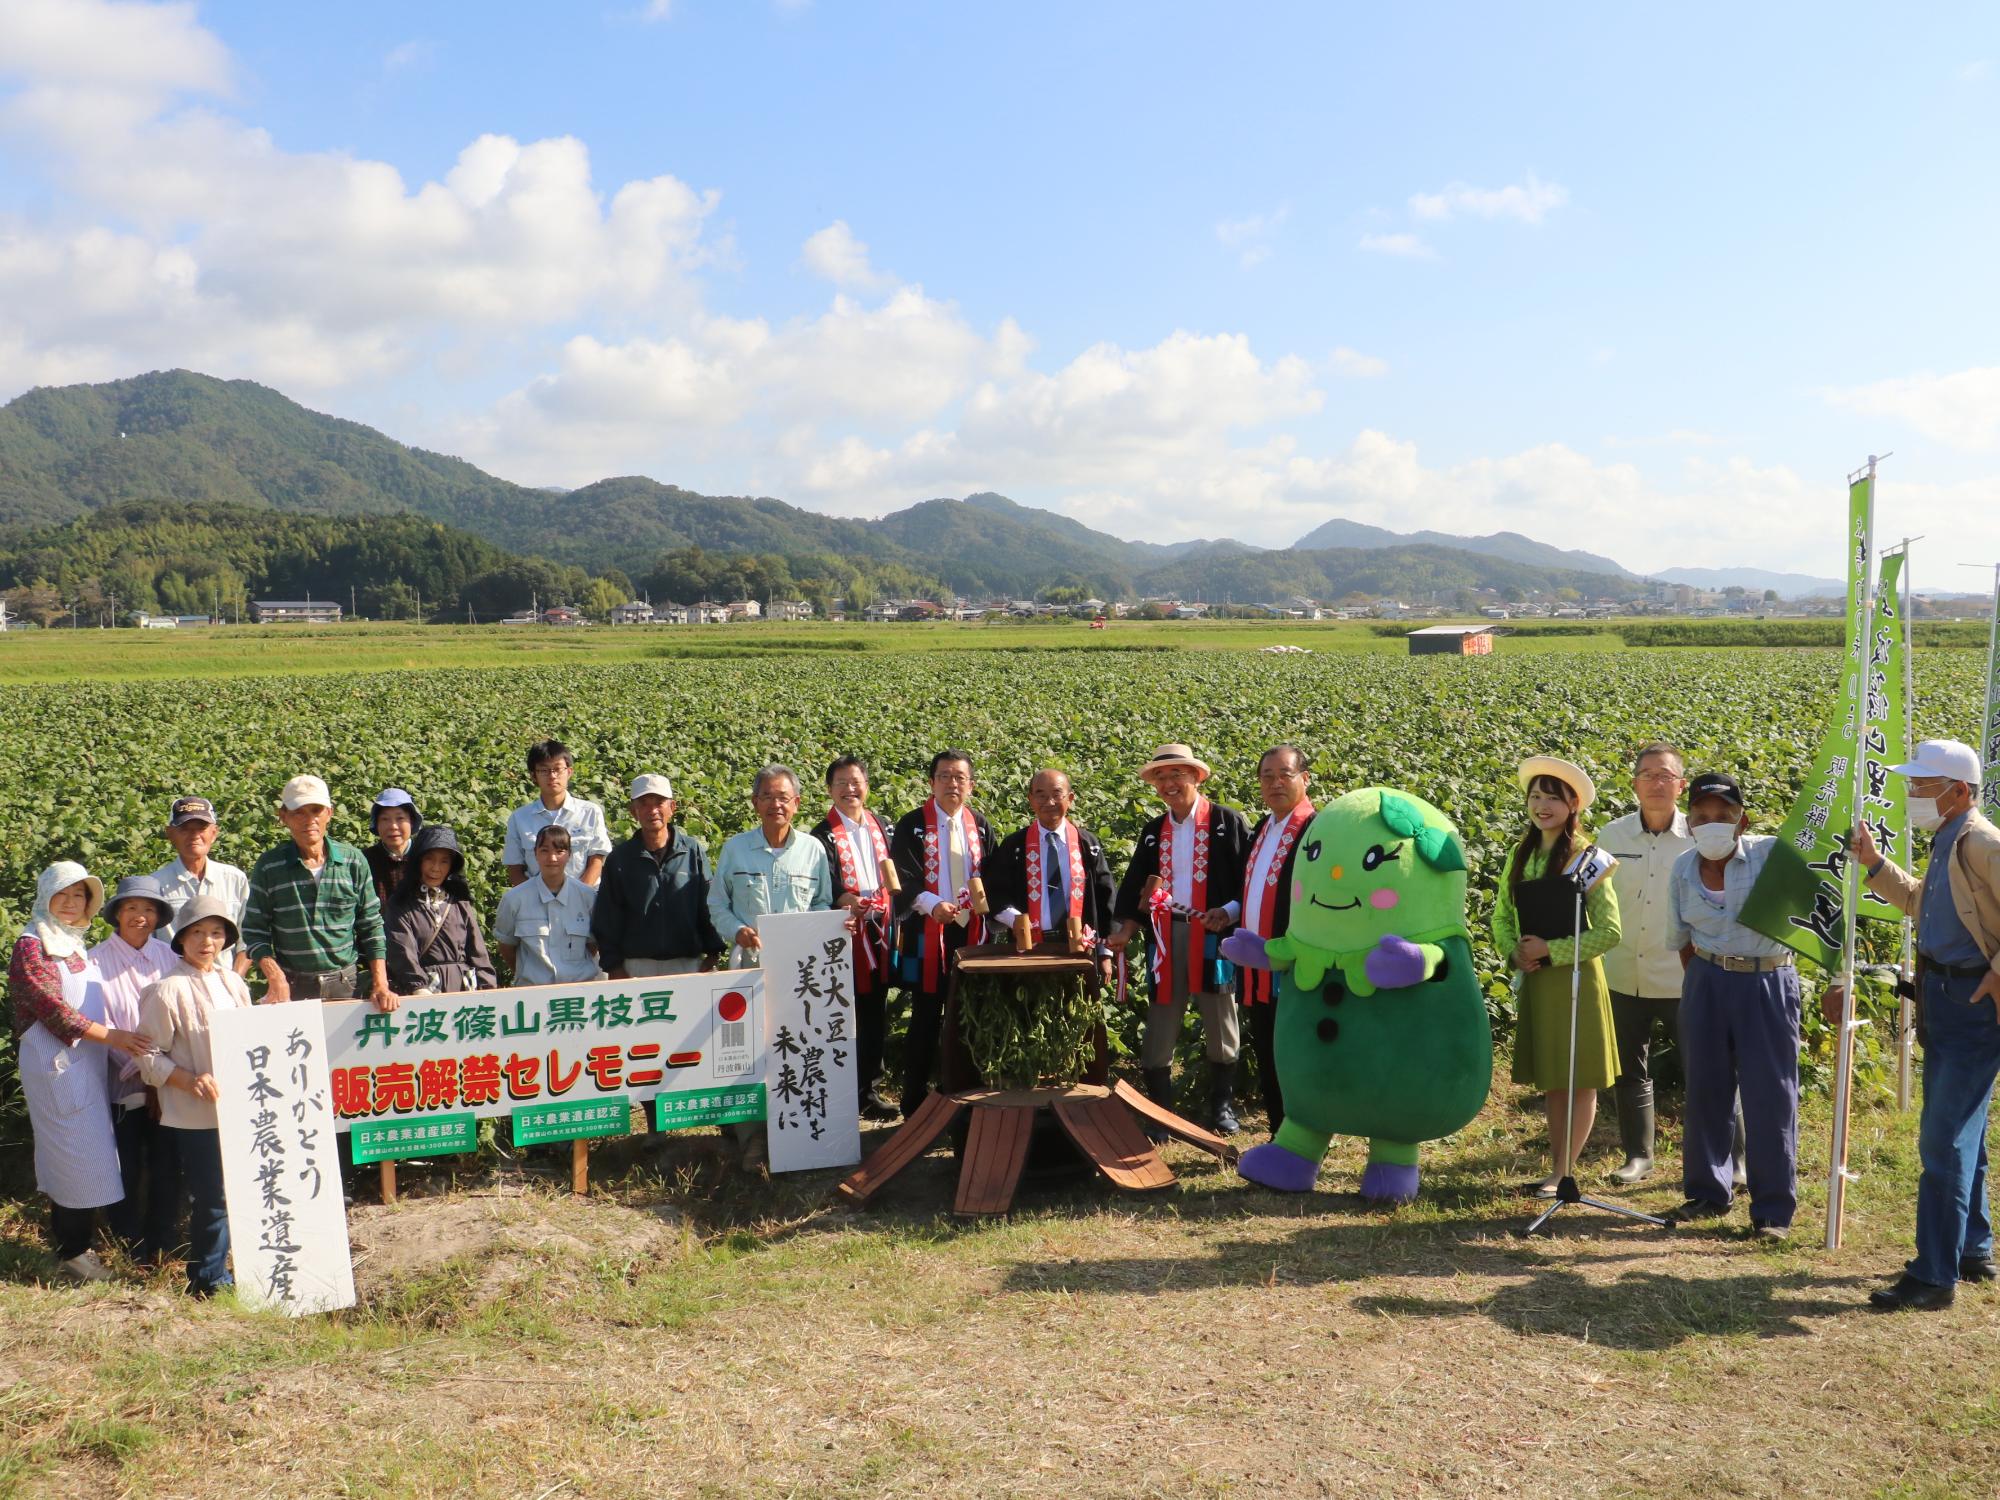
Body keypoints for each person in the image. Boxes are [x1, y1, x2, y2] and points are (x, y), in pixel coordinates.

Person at [1854, 739, 2000, 1310]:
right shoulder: (1949, 839)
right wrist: (1874, 866)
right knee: (1967, 1131)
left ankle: (1933, 1275)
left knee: (1943, 1139)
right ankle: (1972, 1247)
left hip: (1969, 998)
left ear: (1958, 791)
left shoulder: (1982, 841)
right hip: (1943, 994)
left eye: (1922, 785)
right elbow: (1921, 902)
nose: (1912, 794)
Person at [1662, 771, 1800, 1237]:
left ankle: (1772, 1212)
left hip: (1766, 979)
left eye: (1724, 816)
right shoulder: (1682, 868)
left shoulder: (1770, 855)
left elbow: (1817, 900)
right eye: (1702, 816)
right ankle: (1707, 1192)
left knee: (1771, 1094)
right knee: (1706, 1088)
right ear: (1689, 823)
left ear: (1742, 822)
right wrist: (1706, 979)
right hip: (1706, 978)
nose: (1712, 824)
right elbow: (1681, 938)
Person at [10, 862, 148, 1282]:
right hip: (56, 1065)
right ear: (45, 896)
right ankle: (73, 1251)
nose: (70, 904)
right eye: (62, 895)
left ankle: (77, 1244)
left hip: (84, 1066)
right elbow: (52, 1010)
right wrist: (114, 1037)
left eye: (79, 896)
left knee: (89, 1155)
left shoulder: (74, 944)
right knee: (73, 1156)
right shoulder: (32, 945)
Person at [1492, 756, 1623, 1194]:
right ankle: (1556, 1165)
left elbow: (1609, 931)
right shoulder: (1519, 853)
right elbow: (1501, 916)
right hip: (1538, 981)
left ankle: (1563, 1171)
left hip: (1576, 981)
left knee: (1578, 1075)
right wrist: (1514, 952)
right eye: (1535, 796)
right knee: (1553, 1077)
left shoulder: (1588, 858)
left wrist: (1553, 951)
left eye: (1552, 797)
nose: (1541, 805)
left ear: (1573, 805)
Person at [1109, 744, 1253, 1134]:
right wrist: (1125, 930)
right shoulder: (1153, 831)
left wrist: (1229, 911)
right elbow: (1136, 885)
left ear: (1197, 777)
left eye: (1178, 775)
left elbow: (1249, 879)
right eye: (1161, 777)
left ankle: (1222, 1108)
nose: (1170, 784)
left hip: (1214, 932)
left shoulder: (1227, 822)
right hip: (1165, 934)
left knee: (1221, 1017)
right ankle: (1161, 1112)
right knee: (1161, 1018)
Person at [708, 765, 837, 1169]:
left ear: (797, 804)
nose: (775, 804)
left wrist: (807, 932)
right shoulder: (736, 849)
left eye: (784, 797)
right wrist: (737, 930)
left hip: (798, 975)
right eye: (767, 796)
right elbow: (717, 904)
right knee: (745, 1055)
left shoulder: (812, 850)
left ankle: (796, 1134)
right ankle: (753, 1140)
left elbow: (822, 903)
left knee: (793, 1050)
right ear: (755, 803)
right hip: (748, 969)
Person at [135, 894, 253, 1298]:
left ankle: (239, 1267)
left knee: (241, 1190)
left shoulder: (234, 982)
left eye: (216, 933)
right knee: (213, 1196)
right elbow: (146, 1054)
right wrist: (187, 1080)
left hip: (240, 1107)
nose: (208, 941)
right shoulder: (166, 990)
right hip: (195, 1114)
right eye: (198, 932)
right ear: (181, 939)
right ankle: (207, 1279)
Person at [1597, 741, 1695, 1184]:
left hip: (1683, 977)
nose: (1657, 783)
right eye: (1648, 775)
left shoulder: (1700, 834)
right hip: (1621, 973)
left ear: (1682, 785)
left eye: (1666, 776)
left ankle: (1730, 1160)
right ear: (1634, 783)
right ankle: (1639, 1155)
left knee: (1706, 1071)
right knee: (1629, 1070)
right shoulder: (1611, 837)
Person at [890, 749, 1001, 1118]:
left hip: (971, 933)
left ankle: (963, 1093)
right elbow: (903, 877)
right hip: (928, 932)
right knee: (925, 1015)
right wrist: (931, 903)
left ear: (970, 784)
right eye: (945, 776)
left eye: (960, 777)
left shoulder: (980, 825)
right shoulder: (912, 825)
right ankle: (915, 1101)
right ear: (931, 782)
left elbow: (993, 877)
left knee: (969, 1014)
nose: (952, 783)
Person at [241, 774, 395, 1010]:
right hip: (292, 985)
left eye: (316, 810)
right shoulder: (270, 866)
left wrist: (380, 983)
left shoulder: (353, 861)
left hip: (346, 984)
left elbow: (371, 924)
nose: (309, 820)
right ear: (283, 817)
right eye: (299, 812)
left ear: (329, 814)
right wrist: (274, 974)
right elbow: (254, 929)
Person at [88, 875, 181, 1266]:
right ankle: (128, 1244)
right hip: (120, 1084)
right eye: (131, 908)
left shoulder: (170, 958)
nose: (140, 916)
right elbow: (98, 1024)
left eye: (148, 909)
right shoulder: (94, 962)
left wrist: (163, 1074)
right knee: (125, 1166)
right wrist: (144, 1069)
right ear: (116, 914)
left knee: (167, 1165)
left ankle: (164, 1242)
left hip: (171, 1084)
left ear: (158, 916)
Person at [810, 756, 899, 1120]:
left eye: (856, 781)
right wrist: (842, 899)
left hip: (880, 931)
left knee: (874, 1010)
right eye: (842, 783)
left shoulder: (884, 826)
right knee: (838, 1012)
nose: (850, 789)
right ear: (830, 790)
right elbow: (822, 882)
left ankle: (869, 1091)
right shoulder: (822, 835)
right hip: (843, 933)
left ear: (866, 786)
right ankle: (838, 1091)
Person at [1237, 745, 1316, 1138]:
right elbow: (1253, 890)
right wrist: (1231, 911)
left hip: (1297, 966)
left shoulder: (1315, 830)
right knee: (1268, 1052)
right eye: (1267, 776)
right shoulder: (1263, 827)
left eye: (1284, 774)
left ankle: (1302, 1139)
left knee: (1295, 1057)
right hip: (1259, 966)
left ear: (1305, 778)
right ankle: (1278, 1134)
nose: (1275, 783)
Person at [591, 773, 725, 979]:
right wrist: (614, 967)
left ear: (672, 808)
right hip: (635, 967)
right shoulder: (620, 859)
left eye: (660, 802)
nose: (652, 810)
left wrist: (714, 953)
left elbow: (708, 903)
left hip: (688, 965)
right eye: (643, 803)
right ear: (633, 811)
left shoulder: (692, 851)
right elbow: (607, 916)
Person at [384, 825, 498, 996]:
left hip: (464, 987)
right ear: (418, 861)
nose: (436, 868)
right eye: (429, 859)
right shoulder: (401, 904)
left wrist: (487, 986)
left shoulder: (458, 902)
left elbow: (477, 951)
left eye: (444, 861)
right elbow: (401, 951)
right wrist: (418, 987)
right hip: (425, 990)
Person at [150, 795, 251, 977]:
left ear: (214, 833)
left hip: (226, 989)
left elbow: (248, 938)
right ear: (170, 833)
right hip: (175, 987)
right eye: (185, 829)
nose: (194, 835)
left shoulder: (235, 879)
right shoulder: (155, 885)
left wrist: (235, 980)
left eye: (202, 828)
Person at [493, 824, 603, 987]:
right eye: (544, 850)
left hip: (580, 992)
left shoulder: (587, 897)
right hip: (534, 993)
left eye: (559, 851)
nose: (552, 858)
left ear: (569, 855)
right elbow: (506, 946)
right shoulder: (514, 899)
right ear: (535, 854)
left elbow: (592, 945)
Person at [503, 739, 612, 888]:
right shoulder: (519, 818)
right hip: (535, 905)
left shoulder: (590, 813)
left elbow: (597, 860)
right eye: (544, 770)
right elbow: (514, 869)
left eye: (557, 769)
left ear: (569, 772)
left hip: (584, 904)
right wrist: (535, 898)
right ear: (533, 776)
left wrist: (576, 896)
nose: (552, 776)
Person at [363, 788, 422, 905]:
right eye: (385, 819)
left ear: (411, 821)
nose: (393, 826)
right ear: (377, 824)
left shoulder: (425, 856)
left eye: (400, 818)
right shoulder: (365, 860)